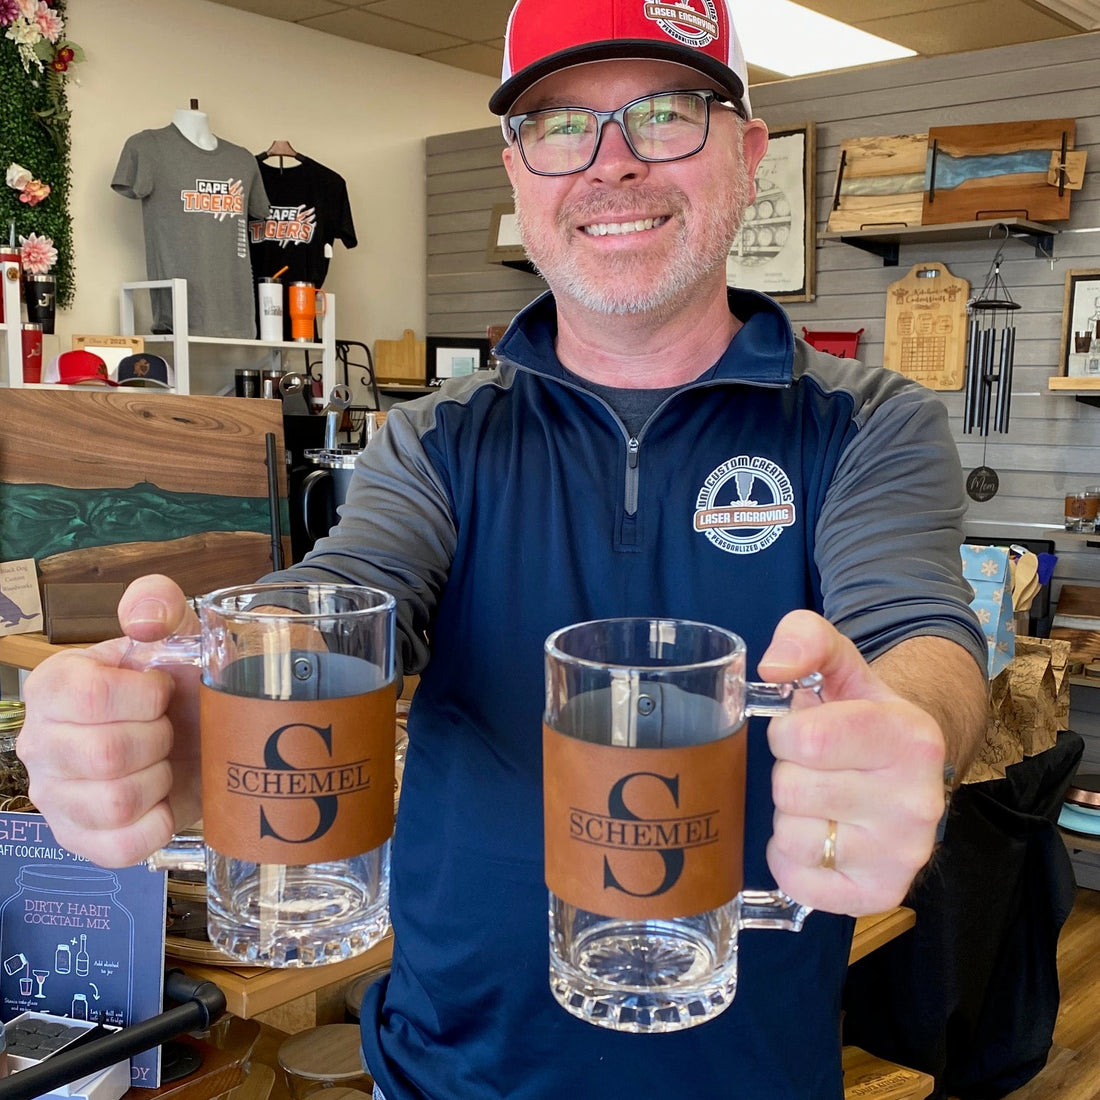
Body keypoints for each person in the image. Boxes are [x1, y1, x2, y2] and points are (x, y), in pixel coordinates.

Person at [20, 0, 989, 1096]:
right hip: (444, 1072)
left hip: (747, 1067)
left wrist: (907, 721)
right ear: (517, 170)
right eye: (559, 125)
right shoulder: (433, 434)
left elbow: (914, 629)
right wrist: (211, 691)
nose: (609, 165)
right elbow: (348, 584)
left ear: (746, 151)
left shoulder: (867, 421)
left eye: (664, 113)